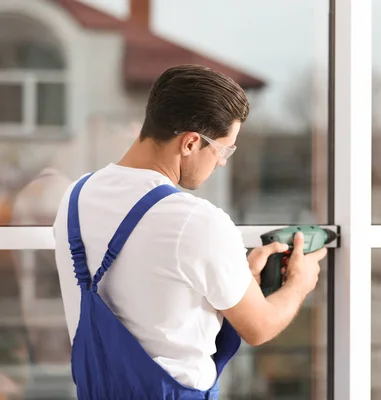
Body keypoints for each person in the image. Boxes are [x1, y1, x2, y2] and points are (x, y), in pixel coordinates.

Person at [52, 64, 326, 399]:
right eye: (223, 150)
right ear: (191, 143)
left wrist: (240, 277)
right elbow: (260, 326)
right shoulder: (195, 220)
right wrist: (300, 283)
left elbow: (150, 292)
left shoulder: (76, 197)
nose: (222, 162)